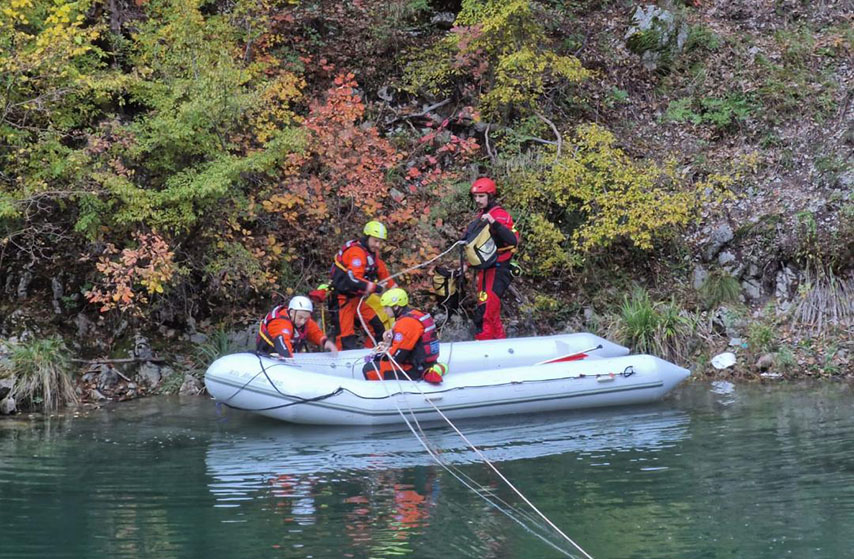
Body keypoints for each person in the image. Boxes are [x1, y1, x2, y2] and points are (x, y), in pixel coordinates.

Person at [462, 177, 519, 340]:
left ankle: (484, 344)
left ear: (490, 196)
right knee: (490, 311)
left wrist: (494, 223)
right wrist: (467, 265)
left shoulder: (500, 216)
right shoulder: (481, 215)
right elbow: (479, 246)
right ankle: (499, 343)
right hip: (486, 270)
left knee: (486, 311)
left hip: (499, 269)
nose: (477, 200)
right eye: (475, 197)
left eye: (481, 196)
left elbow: (512, 239)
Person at [329, 221, 396, 350]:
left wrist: (395, 291)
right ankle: (344, 363)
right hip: (342, 300)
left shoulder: (371, 253)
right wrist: (375, 288)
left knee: (378, 328)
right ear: (367, 237)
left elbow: (381, 270)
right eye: (375, 241)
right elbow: (353, 280)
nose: (378, 245)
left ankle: (371, 354)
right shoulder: (357, 253)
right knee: (345, 337)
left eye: (381, 242)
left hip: (356, 301)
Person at [362, 288, 444, 383]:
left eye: (386, 307)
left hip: (415, 370)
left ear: (396, 307)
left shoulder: (406, 322)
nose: (384, 311)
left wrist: (380, 354)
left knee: (369, 369)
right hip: (427, 364)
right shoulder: (416, 314)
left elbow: (397, 357)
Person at [256, 296, 337, 358]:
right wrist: (289, 359)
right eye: (300, 317)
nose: (302, 321)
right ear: (291, 312)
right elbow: (283, 342)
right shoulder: (280, 323)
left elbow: (314, 332)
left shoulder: (304, 320)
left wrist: (325, 342)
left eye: (306, 318)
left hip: (291, 353)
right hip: (269, 355)